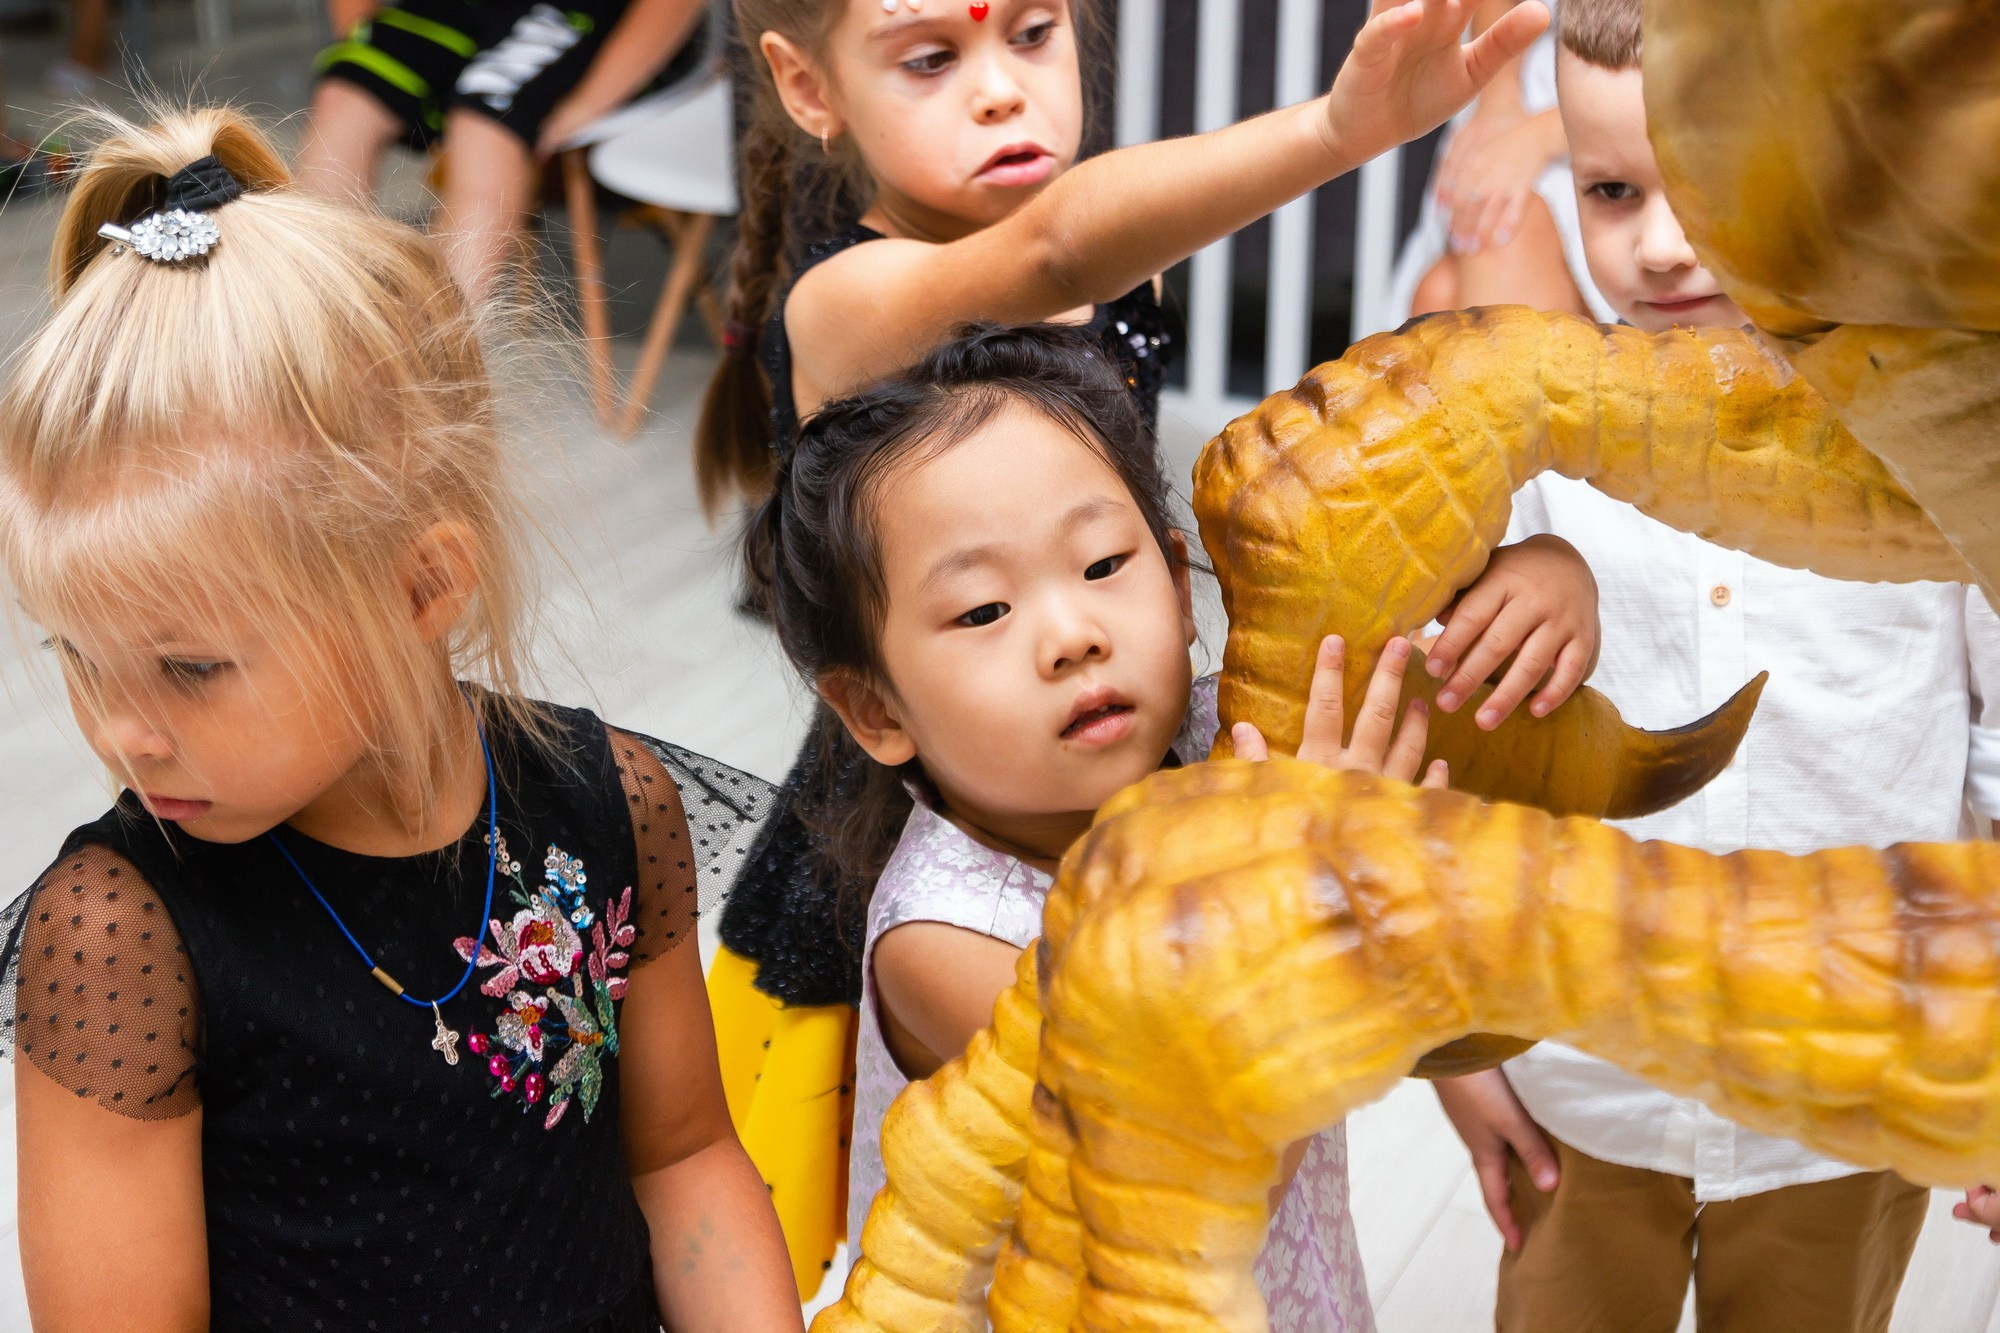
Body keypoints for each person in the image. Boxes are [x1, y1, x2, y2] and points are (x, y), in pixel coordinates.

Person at [0, 107, 805, 1331]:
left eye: (191, 668)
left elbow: (683, 1160)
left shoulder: (608, 806)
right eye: (81, 657)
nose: (123, 732)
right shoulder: (122, 940)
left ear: (424, 585)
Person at [702, 0, 1557, 1078]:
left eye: (1031, 32)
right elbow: (1057, 245)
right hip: (936, 830)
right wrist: (1339, 131)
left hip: (1139, 783)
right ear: (810, 86)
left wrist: (1528, 564)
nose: (1001, 88)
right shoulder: (847, 300)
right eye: (930, 58)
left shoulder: (1124, 277)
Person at [753, 321, 1603, 1327]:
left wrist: (1545, 577)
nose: (1073, 636)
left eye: (1104, 564)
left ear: (1177, 580)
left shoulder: (1228, 730)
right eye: (982, 612)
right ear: (876, 710)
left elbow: (1444, 696)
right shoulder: (947, 939)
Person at [1427, 3, 2000, 1329]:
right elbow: (1439, 767)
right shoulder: (1526, 457)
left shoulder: (1936, 463)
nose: (1665, 245)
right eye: (1614, 191)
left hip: (1847, 1099)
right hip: (1583, 1087)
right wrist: (1452, 1050)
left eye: (1712, 188)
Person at [296, 0, 710, 300]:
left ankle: (428, 362)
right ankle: (315, 322)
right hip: (466, 12)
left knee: (486, 119)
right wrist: (360, 41)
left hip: (592, 16)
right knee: (346, 98)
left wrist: (582, 106)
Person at [1392, 1, 1602, 321]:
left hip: (1633, 103)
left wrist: (1545, 135)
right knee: (1437, 295)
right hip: (1522, 81)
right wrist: (1497, 100)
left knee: (1502, 234)